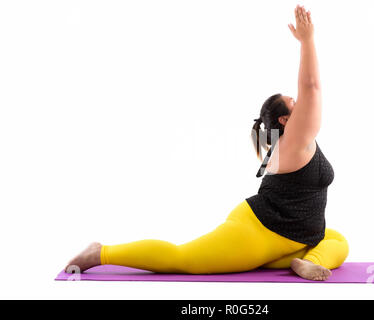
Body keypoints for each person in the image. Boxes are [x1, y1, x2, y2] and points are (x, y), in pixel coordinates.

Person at [64, 5, 348, 281]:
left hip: (295, 239)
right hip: (258, 234)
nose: (302, 103)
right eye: (293, 102)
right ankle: (101, 253)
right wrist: (307, 41)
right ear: (284, 121)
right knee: (182, 258)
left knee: (337, 240)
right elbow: (311, 86)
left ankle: (308, 262)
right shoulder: (295, 141)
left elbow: (309, 94)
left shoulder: (294, 140)